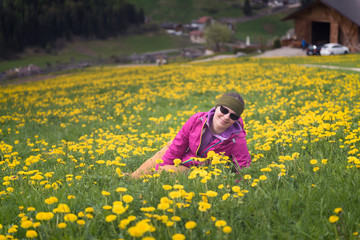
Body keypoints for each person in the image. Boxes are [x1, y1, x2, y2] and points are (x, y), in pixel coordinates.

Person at [131, 92, 251, 179]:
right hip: (184, 156)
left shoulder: (237, 138)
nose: (226, 117)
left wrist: (235, 187)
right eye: (224, 110)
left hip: (199, 171)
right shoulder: (197, 119)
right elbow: (178, 146)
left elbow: (243, 167)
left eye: (233, 116)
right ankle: (133, 178)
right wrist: (162, 165)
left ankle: (151, 178)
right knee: (168, 148)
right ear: (217, 107)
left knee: (165, 172)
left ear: (236, 119)